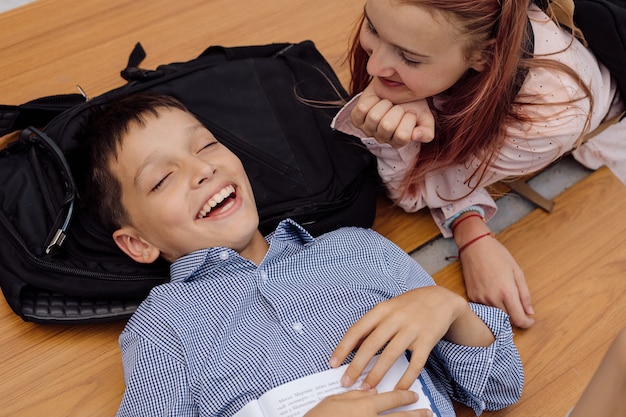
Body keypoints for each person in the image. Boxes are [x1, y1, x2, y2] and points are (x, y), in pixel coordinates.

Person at [76, 92, 523, 417]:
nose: (203, 169)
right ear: (138, 243)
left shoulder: (359, 250)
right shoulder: (163, 326)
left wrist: (449, 307)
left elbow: (502, 385)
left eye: (206, 145)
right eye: (161, 179)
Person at [331, 0, 626, 330]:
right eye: (372, 27)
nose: (374, 67)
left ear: (484, 56)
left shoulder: (549, 119)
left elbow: (415, 189)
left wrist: (391, 130)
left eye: (410, 57)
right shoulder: (447, 30)